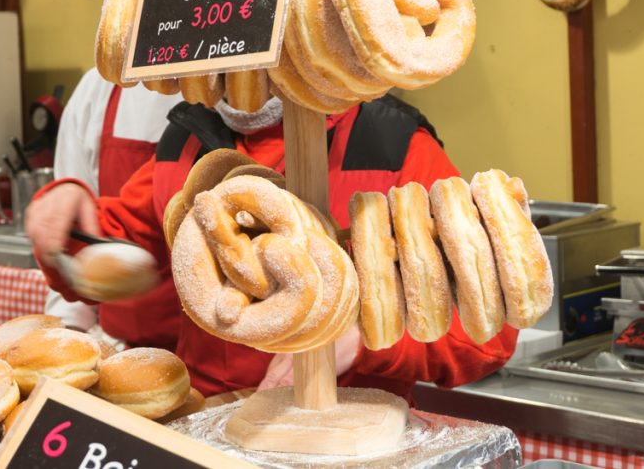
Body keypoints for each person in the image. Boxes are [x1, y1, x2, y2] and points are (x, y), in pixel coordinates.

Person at [28, 94, 519, 398]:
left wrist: (365, 338)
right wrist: (69, 214)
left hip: (347, 439)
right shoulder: (189, 138)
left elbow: (485, 332)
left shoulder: (391, 147)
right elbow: (124, 247)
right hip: (206, 427)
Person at [46, 0, 196, 345]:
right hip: (123, 350)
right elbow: (72, 225)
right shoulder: (97, 89)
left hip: (229, 361)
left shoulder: (240, 90)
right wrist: (70, 339)